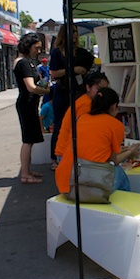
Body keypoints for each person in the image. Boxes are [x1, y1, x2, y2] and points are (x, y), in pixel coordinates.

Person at [54, 87, 140, 195]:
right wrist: (130, 152)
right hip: (88, 182)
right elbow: (114, 161)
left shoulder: (80, 119)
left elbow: (90, 147)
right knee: (120, 174)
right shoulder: (116, 125)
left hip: (65, 179)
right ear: (114, 107)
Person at [49, 25, 95, 171]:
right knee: (60, 124)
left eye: (76, 32)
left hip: (78, 91)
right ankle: (55, 157)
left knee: (79, 122)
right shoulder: (57, 53)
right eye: (72, 32)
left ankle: (77, 153)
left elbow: (93, 62)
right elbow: (54, 73)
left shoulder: (81, 52)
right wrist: (73, 70)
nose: (75, 35)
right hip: (62, 91)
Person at [13, 33, 50, 184]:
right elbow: (31, 87)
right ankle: (25, 174)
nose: (38, 51)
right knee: (28, 140)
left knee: (30, 139)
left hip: (28, 103)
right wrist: (46, 91)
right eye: (36, 48)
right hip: (27, 103)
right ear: (28, 46)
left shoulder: (23, 62)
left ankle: (27, 170)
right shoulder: (24, 63)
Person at [54, 71, 110, 160]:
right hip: (69, 152)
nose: (101, 93)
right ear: (88, 87)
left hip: (68, 150)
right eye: (98, 89)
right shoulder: (86, 105)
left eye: (105, 90)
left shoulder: (84, 100)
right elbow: (84, 133)